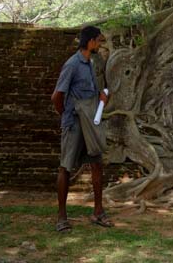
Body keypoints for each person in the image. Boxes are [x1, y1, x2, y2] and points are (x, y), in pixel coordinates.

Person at [51, 25, 111, 232]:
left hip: (89, 125)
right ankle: (61, 217)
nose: (99, 43)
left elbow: (90, 97)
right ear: (90, 42)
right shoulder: (72, 64)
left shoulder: (89, 64)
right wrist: (67, 116)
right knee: (65, 168)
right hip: (74, 123)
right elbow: (57, 96)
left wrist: (102, 99)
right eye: (98, 40)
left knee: (96, 164)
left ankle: (98, 212)